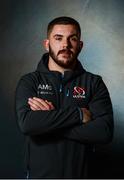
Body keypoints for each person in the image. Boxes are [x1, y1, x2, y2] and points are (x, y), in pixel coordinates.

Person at [15, 16, 114, 178]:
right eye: (58, 38)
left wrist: (47, 123)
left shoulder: (93, 83)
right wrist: (79, 114)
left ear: (80, 46)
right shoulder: (30, 81)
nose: (65, 45)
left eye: (72, 39)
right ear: (47, 44)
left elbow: (103, 132)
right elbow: (28, 124)